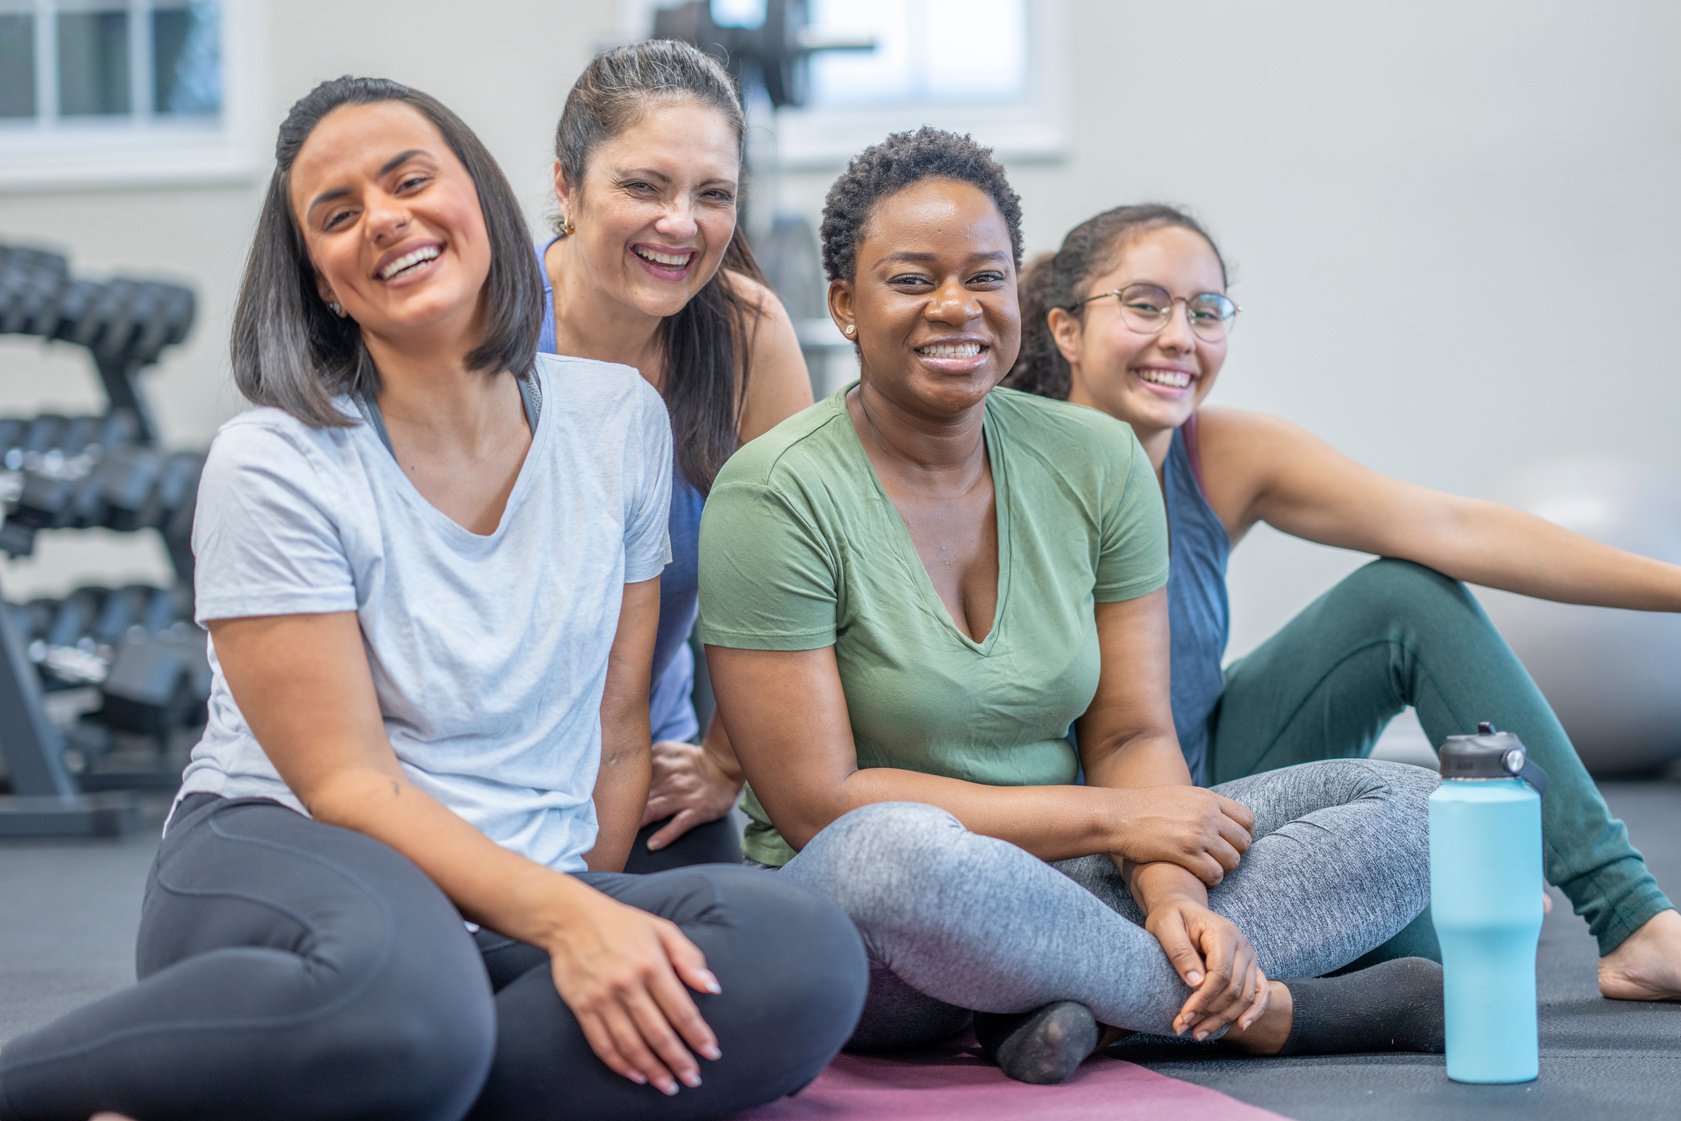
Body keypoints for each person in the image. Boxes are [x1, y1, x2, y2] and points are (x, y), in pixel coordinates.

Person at [0, 76, 864, 1121]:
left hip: (507, 878)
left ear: (486, 203)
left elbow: (617, 726)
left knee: (802, 953)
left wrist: (573, 913)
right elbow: (348, 785)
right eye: (339, 211)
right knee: (411, 1002)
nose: (386, 219)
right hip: (295, 848)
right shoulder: (272, 460)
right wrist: (565, 921)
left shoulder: (618, 420)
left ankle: (327, 1078)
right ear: (321, 277)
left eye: (411, 180)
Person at [696, 127, 1448, 1087]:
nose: (955, 307)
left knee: (1422, 804)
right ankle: (1259, 1013)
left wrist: (1171, 886)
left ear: (1021, 292)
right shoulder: (774, 493)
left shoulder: (1096, 460)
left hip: (1075, 880)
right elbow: (819, 805)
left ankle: (1085, 999)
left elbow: (1134, 733)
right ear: (843, 303)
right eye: (912, 279)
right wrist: (1116, 825)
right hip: (890, 919)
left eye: (985, 277)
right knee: (890, 854)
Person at [1005, 202, 1681, 1001]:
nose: (1179, 336)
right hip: (1078, 830)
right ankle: (1158, 981)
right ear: (1065, 329)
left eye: (1206, 310)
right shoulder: (1001, 464)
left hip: (1211, 785)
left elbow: (1455, 526)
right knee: (1441, 936)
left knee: (1401, 593)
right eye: (1144, 304)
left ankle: (1635, 920)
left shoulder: (1221, 454)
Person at [538, 40, 813, 871]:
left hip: (648, 763)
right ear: (566, 185)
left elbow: (797, 575)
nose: (681, 223)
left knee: (762, 979)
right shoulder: (494, 322)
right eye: (643, 186)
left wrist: (726, 758)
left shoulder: (747, 333)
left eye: (712, 195)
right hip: (482, 760)